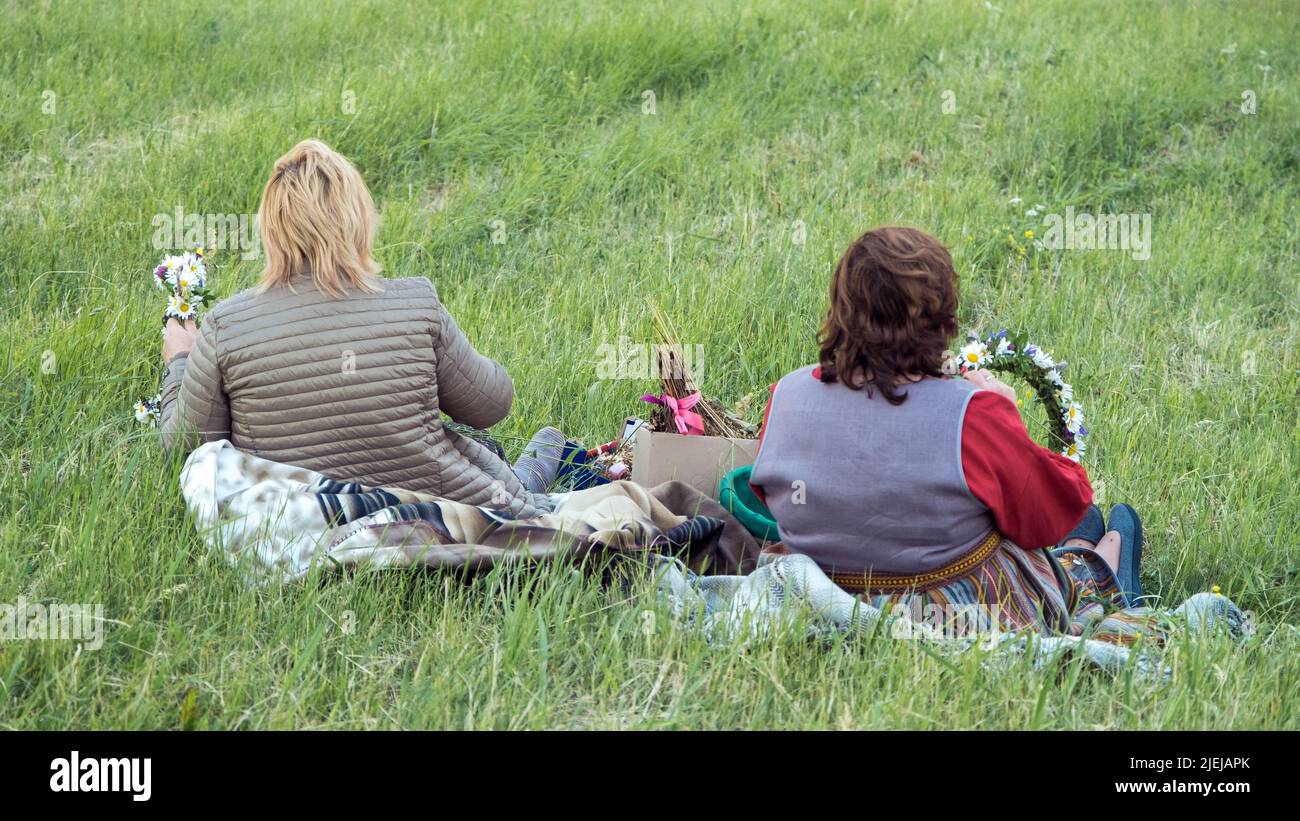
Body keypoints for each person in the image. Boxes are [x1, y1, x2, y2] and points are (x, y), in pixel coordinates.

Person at [750, 226, 1147, 638]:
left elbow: (772, 497)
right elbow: (1047, 517)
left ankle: (1089, 556)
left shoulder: (785, 396)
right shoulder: (971, 414)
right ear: (941, 315)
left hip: (812, 597)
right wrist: (1007, 417)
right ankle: (1099, 568)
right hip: (952, 615)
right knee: (1065, 550)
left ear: (840, 307)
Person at [159, 139, 562, 516]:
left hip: (304, 523)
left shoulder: (226, 326)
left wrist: (180, 361)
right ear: (357, 218)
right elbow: (490, 406)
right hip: (442, 511)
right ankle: (547, 454)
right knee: (536, 460)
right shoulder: (415, 302)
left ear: (272, 228)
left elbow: (186, 448)